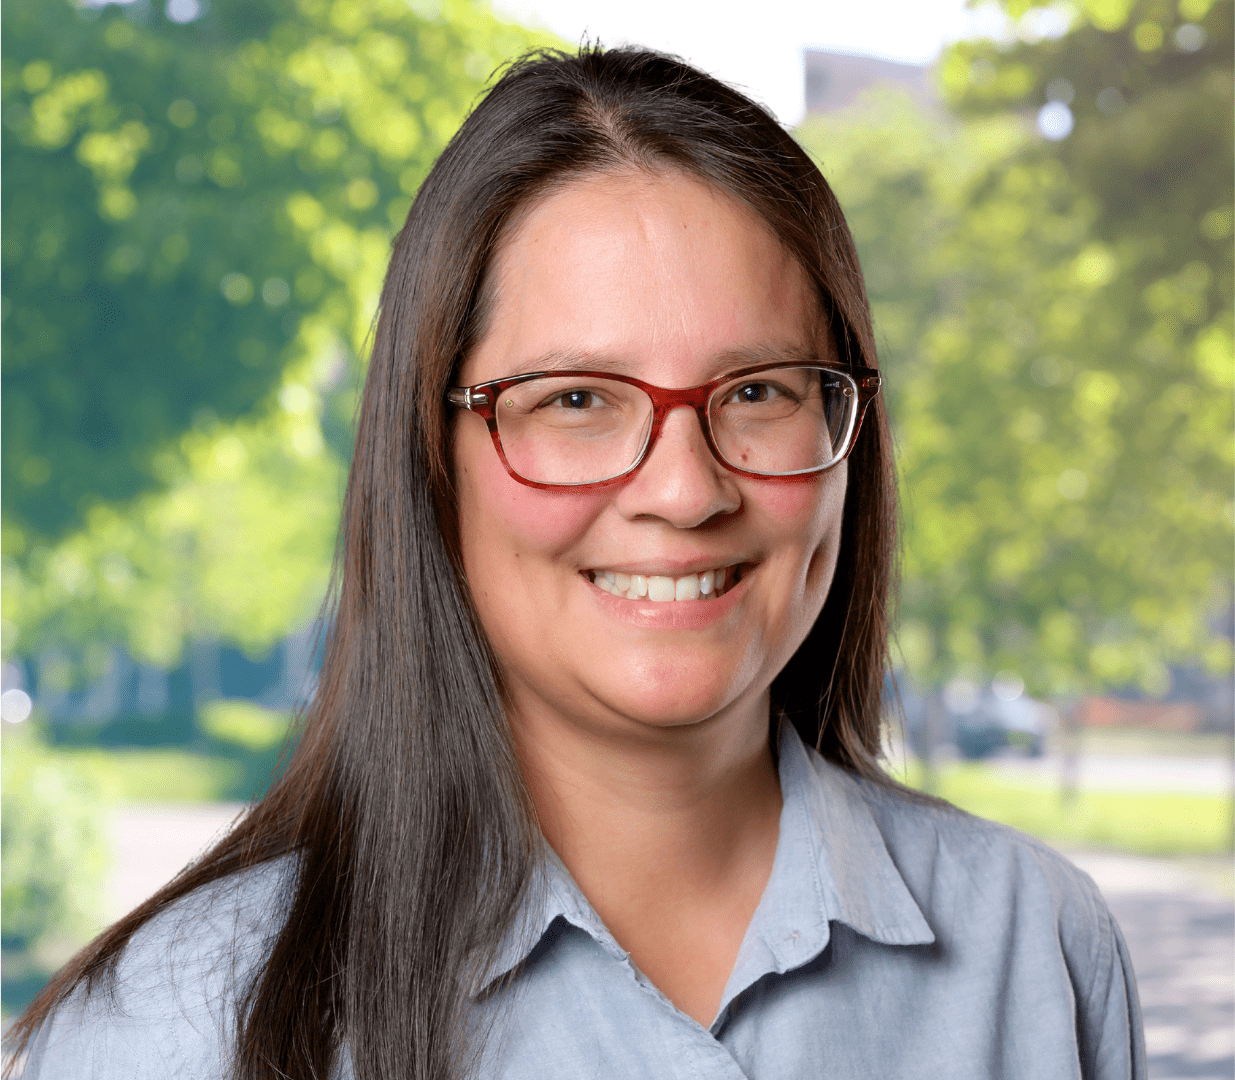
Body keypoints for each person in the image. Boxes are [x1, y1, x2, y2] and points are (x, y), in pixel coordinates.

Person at [7, 47, 1144, 1080]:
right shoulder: (165, 1031)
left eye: (756, 392)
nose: (684, 490)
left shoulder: (1031, 951)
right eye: (576, 401)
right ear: (430, 459)